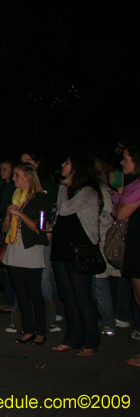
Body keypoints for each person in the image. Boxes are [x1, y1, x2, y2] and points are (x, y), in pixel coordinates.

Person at [50, 153, 103, 357]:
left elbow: (65, 210)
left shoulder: (88, 191)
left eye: (67, 163)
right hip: (62, 251)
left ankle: (91, 341)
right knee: (68, 298)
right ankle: (72, 338)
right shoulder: (69, 191)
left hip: (80, 252)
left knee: (82, 298)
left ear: (76, 169)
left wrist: (63, 186)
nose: (62, 165)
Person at [0, 163, 50, 345]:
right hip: (14, 247)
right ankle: (28, 329)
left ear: (29, 177)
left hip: (30, 249)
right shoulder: (15, 196)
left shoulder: (39, 198)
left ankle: (41, 331)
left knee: (34, 292)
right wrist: (8, 214)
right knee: (20, 292)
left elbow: (40, 229)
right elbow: (5, 228)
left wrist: (19, 213)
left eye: (17, 175)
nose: (14, 179)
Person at [114, 144, 140, 367]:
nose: (122, 163)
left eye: (126, 159)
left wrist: (122, 196)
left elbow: (121, 212)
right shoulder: (133, 186)